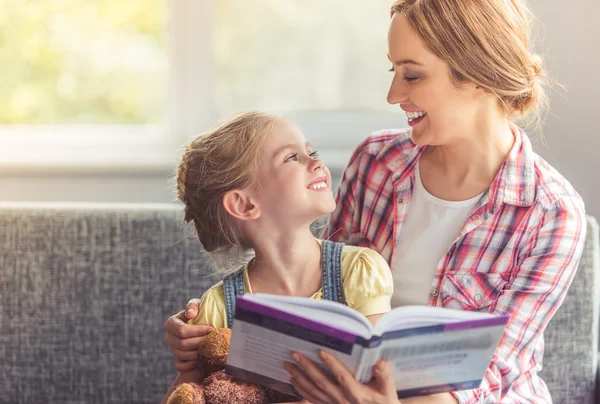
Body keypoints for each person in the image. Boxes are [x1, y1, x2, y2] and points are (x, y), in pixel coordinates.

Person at [164, 0, 588, 402]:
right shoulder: (377, 162)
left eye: (413, 75)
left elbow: (493, 370)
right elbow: (317, 289)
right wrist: (203, 337)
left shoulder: (551, 213)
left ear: (476, 74)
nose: (393, 94)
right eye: (393, 71)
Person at [161, 111, 394, 403]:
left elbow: (374, 379)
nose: (317, 163)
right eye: (292, 158)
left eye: (312, 152)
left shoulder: (360, 270)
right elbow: (186, 395)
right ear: (244, 204)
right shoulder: (218, 306)